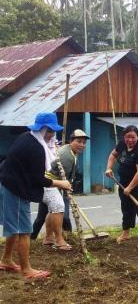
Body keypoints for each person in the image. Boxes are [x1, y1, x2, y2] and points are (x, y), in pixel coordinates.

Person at [0, 113, 72, 280]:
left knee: (14, 227)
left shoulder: (27, 137)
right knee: (24, 230)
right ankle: (27, 270)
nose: (52, 135)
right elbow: (38, 179)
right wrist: (61, 183)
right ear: (42, 129)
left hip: (7, 184)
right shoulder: (35, 148)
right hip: (15, 190)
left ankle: (6, 260)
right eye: (50, 132)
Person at [31, 129, 89, 249]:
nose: (82, 145)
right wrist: (66, 187)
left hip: (55, 183)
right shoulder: (66, 156)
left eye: (84, 142)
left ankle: (47, 237)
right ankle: (59, 239)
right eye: (79, 141)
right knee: (58, 208)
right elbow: (61, 176)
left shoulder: (71, 151)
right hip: (50, 183)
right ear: (71, 141)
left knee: (49, 211)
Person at [105, 125, 138, 244]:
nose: (130, 140)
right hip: (124, 181)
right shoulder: (122, 144)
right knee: (126, 207)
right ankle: (126, 233)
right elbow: (113, 155)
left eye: (133, 137)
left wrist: (130, 188)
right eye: (128, 137)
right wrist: (109, 168)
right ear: (124, 137)